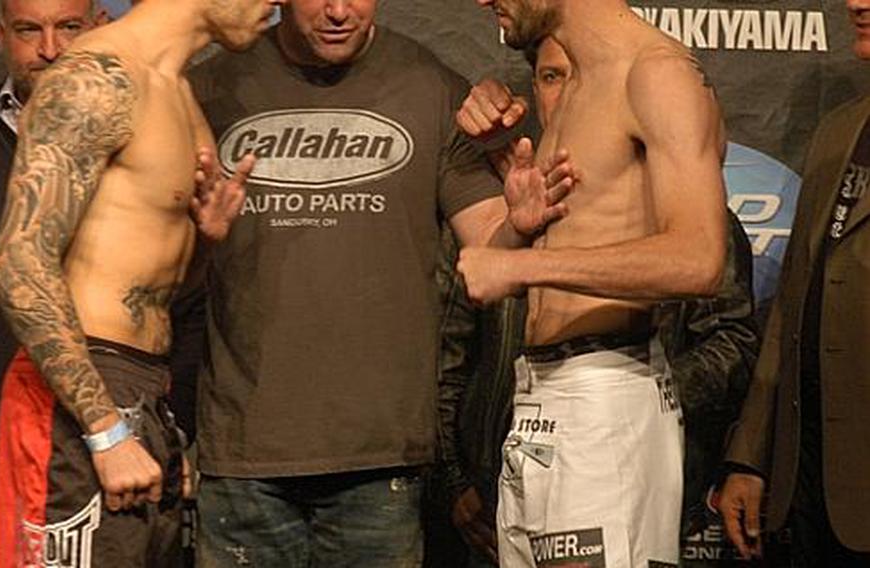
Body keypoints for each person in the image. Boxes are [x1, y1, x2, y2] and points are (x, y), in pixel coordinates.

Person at [188, 0, 573, 564]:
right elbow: (155, 269)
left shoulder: (430, 87)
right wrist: (200, 240)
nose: (340, 11)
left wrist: (517, 224)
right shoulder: (211, 90)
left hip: (379, 460)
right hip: (244, 455)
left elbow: (489, 244)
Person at [430, 35, 759, 567]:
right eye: (552, 77)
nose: (566, 95)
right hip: (501, 483)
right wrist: (454, 478)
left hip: (619, 457)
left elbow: (734, 342)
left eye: (580, 78)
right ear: (532, 87)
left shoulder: (680, 210)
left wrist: (633, 396)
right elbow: (450, 352)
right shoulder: (507, 201)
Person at [0, 0, 283, 565]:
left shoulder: (178, 92)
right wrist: (104, 430)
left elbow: (148, 274)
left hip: (144, 389)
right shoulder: (93, 79)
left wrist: (207, 237)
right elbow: (18, 263)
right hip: (80, 396)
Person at [718, 1, 870, 565]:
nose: (854, 2)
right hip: (811, 496)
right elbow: (790, 309)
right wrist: (752, 457)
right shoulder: (838, 131)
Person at [0, 1, 106, 566]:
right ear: (1, 35)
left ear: (96, 27)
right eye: (29, 29)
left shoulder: (141, 143)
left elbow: (187, 297)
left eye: (68, 26)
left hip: (109, 463)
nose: (50, 48)